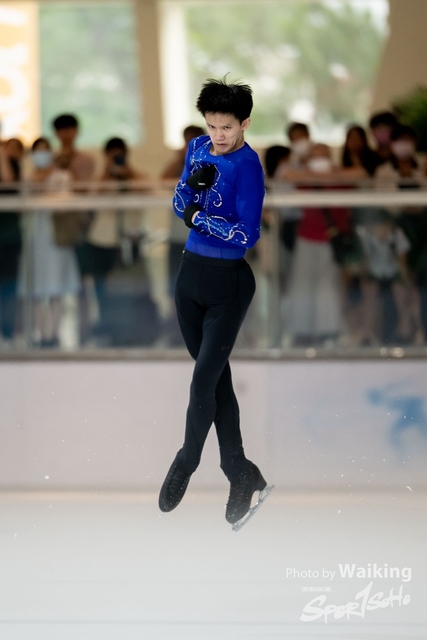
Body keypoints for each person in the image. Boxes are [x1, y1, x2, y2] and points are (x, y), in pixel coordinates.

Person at [158, 77, 272, 529]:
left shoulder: (248, 167)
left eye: (227, 127)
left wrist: (196, 215)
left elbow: (247, 234)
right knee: (216, 380)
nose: (218, 136)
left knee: (204, 379)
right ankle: (240, 470)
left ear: (245, 123)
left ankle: (186, 461)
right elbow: (178, 199)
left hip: (228, 283)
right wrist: (190, 192)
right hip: (190, 276)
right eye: (212, 126)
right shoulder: (198, 148)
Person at [18, 137, 80, 348]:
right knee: (35, 290)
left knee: (56, 289)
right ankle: (40, 333)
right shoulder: (27, 179)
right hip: (34, 237)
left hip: (56, 237)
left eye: (45, 150)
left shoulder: (62, 176)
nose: (42, 154)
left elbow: (65, 202)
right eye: (38, 150)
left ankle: (54, 333)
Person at [0, 138, 24, 345]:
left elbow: (9, 183)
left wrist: (2, 157)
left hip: (8, 236)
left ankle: (8, 332)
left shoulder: (13, 165)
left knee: (8, 286)